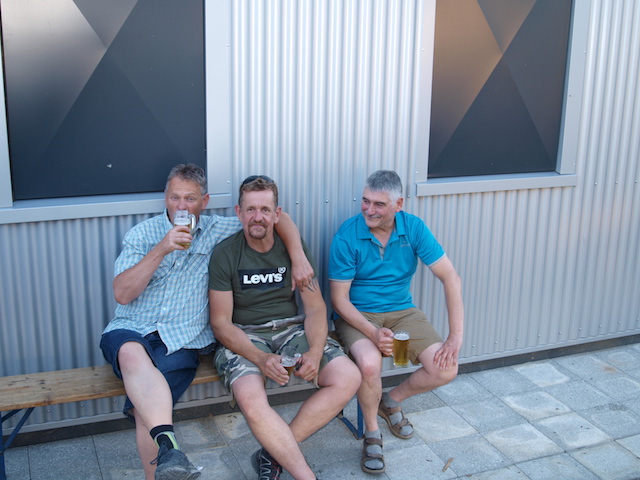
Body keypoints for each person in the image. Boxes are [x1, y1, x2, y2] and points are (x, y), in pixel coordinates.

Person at [100, 164, 314, 480]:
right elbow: (122, 293)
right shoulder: (143, 234)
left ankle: (168, 456)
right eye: (175, 198)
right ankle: (169, 453)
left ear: (205, 201)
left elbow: (276, 218)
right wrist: (162, 248)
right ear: (165, 198)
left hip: (181, 340)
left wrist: (298, 256)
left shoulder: (220, 229)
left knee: (144, 411)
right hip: (132, 328)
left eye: (190, 199)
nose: (182, 207)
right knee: (131, 353)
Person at [208, 176, 361, 480]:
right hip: (245, 334)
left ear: (277, 214)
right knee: (250, 398)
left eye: (265, 209)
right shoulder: (226, 253)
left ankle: (272, 452)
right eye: (251, 209)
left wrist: (315, 352)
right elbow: (221, 323)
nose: (258, 217)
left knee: (348, 377)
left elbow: (315, 308)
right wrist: (260, 358)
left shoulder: (292, 250)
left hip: (290, 329)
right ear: (239, 212)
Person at [328, 170, 464, 474]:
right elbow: (339, 300)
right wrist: (373, 332)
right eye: (365, 201)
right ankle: (372, 432)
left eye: (379, 204)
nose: (369, 210)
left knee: (445, 368)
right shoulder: (347, 235)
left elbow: (450, 277)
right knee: (369, 365)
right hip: (358, 314)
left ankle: (390, 400)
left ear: (398, 204)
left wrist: (455, 336)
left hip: (402, 311)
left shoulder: (413, 228)